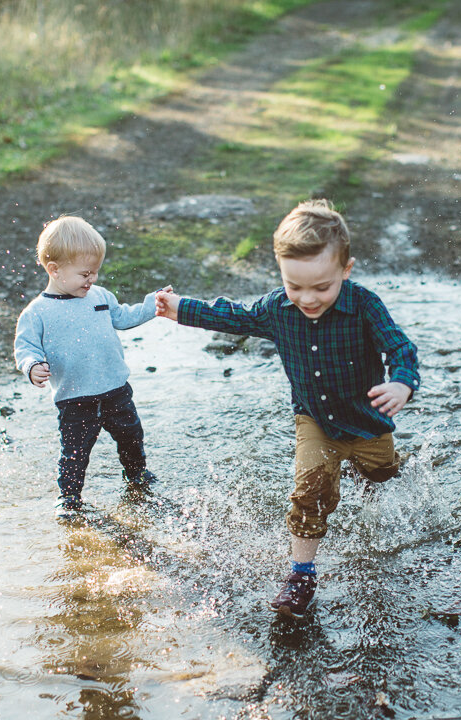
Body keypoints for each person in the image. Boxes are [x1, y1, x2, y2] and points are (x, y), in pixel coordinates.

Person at [155, 199, 420, 618]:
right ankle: (301, 574)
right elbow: (234, 316)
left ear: (345, 270)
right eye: (295, 286)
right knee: (310, 489)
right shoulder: (278, 308)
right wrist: (180, 308)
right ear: (282, 273)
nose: (307, 299)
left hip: (369, 420)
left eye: (322, 287)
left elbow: (400, 347)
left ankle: (368, 470)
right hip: (314, 419)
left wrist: (402, 382)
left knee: (382, 475)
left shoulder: (365, 305)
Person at [14, 215, 160, 513]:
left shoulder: (100, 296)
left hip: (115, 388)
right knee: (75, 452)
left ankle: (136, 474)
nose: (91, 279)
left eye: (94, 272)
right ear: (54, 270)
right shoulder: (37, 313)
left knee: (131, 436)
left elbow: (123, 316)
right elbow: (25, 347)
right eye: (84, 274)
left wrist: (151, 305)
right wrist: (32, 366)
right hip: (74, 397)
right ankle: (69, 497)